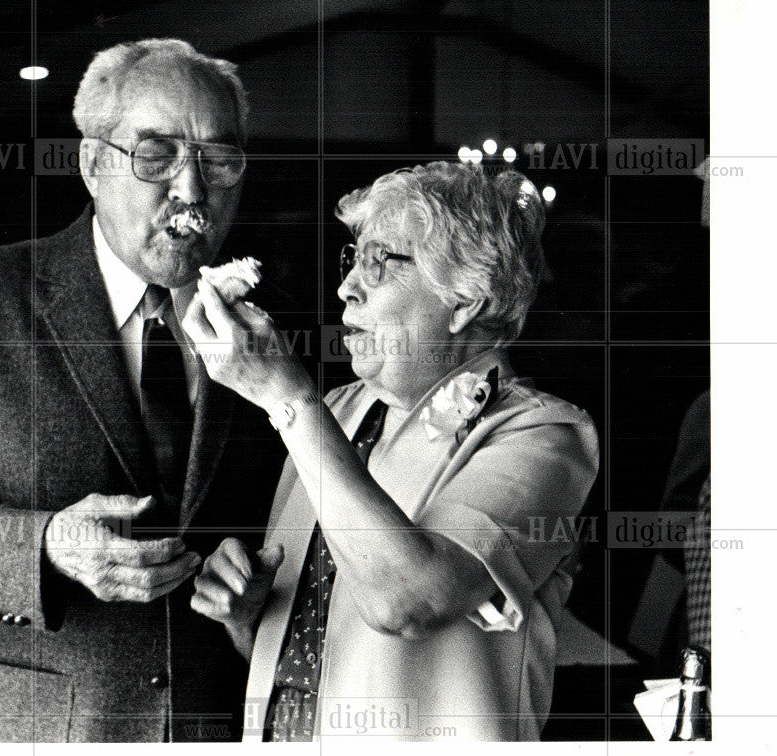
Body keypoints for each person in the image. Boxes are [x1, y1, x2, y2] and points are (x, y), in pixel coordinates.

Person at [0, 38, 286, 742]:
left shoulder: (275, 321)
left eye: (218, 161)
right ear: (92, 163)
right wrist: (46, 547)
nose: (192, 191)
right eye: (156, 155)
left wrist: (256, 599)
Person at [183, 162, 600, 741]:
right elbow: (304, 659)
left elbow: (406, 601)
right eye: (352, 259)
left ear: (465, 300)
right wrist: (245, 612)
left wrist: (287, 398)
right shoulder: (334, 411)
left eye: (378, 261)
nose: (346, 287)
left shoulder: (543, 436)